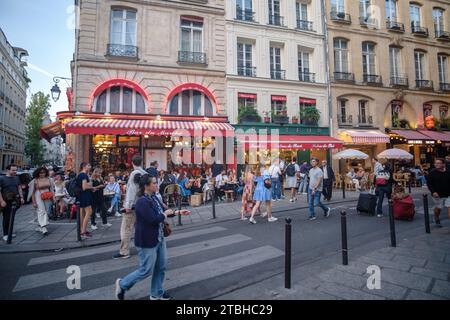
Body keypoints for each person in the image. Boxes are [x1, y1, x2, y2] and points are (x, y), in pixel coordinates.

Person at [115, 174, 190, 300]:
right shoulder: (142, 202)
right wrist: (165, 214)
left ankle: (156, 293)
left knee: (161, 266)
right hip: (146, 240)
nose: (157, 185)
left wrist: (177, 212)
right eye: (154, 183)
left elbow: (162, 211)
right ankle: (122, 284)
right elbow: (153, 219)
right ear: (146, 186)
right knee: (146, 270)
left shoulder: (153, 197)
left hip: (159, 236)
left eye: (156, 182)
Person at [113, 155, 147, 259]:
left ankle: (124, 251)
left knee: (126, 228)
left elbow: (132, 191)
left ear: (132, 163)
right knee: (141, 227)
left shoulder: (134, 174)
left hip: (133, 205)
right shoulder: (145, 173)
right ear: (141, 162)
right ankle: (146, 248)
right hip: (143, 204)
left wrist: (128, 205)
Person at [0, 164, 24, 241]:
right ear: (8, 170)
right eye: (13, 170)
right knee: (6, 217)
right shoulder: (2, 178)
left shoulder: (16, 178)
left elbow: (19, 188)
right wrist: (1, 201)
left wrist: (21, 197)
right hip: (6, 200)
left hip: (15, 200)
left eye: (15, 170)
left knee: (12, 217)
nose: (15, 171)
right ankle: (5, 234)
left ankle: (10, 232)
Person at [28, 167, 55, 235]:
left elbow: (52, 189)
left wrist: (53, 197)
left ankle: (40, 225)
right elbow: (33, 192)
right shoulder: (35, 181)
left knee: (47, 211)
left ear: (46, 172)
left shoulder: (50, 179)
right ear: (38, 173)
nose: (42, 174)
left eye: (43, 172)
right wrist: (34, 202)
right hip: (38, 195)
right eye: (40, 173)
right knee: (41, 211)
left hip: (47, 195)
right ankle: (43, 227)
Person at [426, 158, 450, 227]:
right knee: (439, 208)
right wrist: (433, 192)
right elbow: (429, 183)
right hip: (438, 194)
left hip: (449, 194)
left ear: (443, 164)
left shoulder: (448, 171)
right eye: (436, 163)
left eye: (438, 163)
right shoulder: (432, 172)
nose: (436, 164)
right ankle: (436, 217)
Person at [76, 162, 95, 239]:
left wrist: (90, 187)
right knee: (89, 212)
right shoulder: (83, 175)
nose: (90, 167)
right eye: (88, 165)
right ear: (84, 166)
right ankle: (83, 231)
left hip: (81, 196)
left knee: (82, 213)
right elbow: (84, 187)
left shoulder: (80, 174)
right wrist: (91, 187)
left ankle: (82, 230)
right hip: (85, 196)